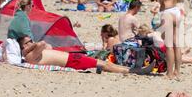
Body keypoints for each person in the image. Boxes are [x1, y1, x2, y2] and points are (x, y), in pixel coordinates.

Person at [17, 36, 153, 74]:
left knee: (106, 64)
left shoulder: (32, 54)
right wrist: (28, 48)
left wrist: (29, 45)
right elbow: (41, 43)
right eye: (28, 42)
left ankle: (133, 70)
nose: (32, 42)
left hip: (71, 58)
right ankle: (135, 71)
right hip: (71, 62)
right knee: (104, 64)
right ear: (23, 47)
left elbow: (46, 46)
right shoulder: (29, 56)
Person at [150, 0, 185, 80]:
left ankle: (169, 74)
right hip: (177, 11)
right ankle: (177, 72)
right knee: (177, 43)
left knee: (169, 45)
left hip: (168, 12)